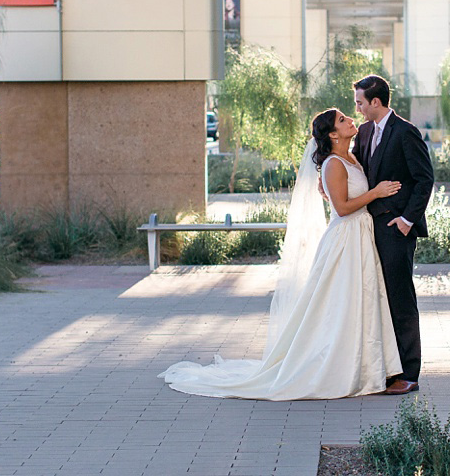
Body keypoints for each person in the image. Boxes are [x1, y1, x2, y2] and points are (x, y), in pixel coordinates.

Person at [158, 109, 403, 401]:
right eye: (342, 120)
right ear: (333, 135)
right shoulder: (334, 164)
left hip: (361, 237)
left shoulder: (351, 157)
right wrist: (375, 192)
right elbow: (342, 208)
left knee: (360, 302)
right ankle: (336, 369)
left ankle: (364, 368)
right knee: (341, 302)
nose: (351, 120)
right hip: (345, 239)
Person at [351, 75, 434, 395]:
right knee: (377, 298)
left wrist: (406, 220)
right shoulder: (365, 131)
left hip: (395, 229)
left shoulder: (406, 132)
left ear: (376, 101)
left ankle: (409, 373)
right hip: (367, 227)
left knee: (400, 299)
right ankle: (386, 369)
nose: (356, 108)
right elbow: (359, 170)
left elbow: (424, 179)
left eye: (360, 102)